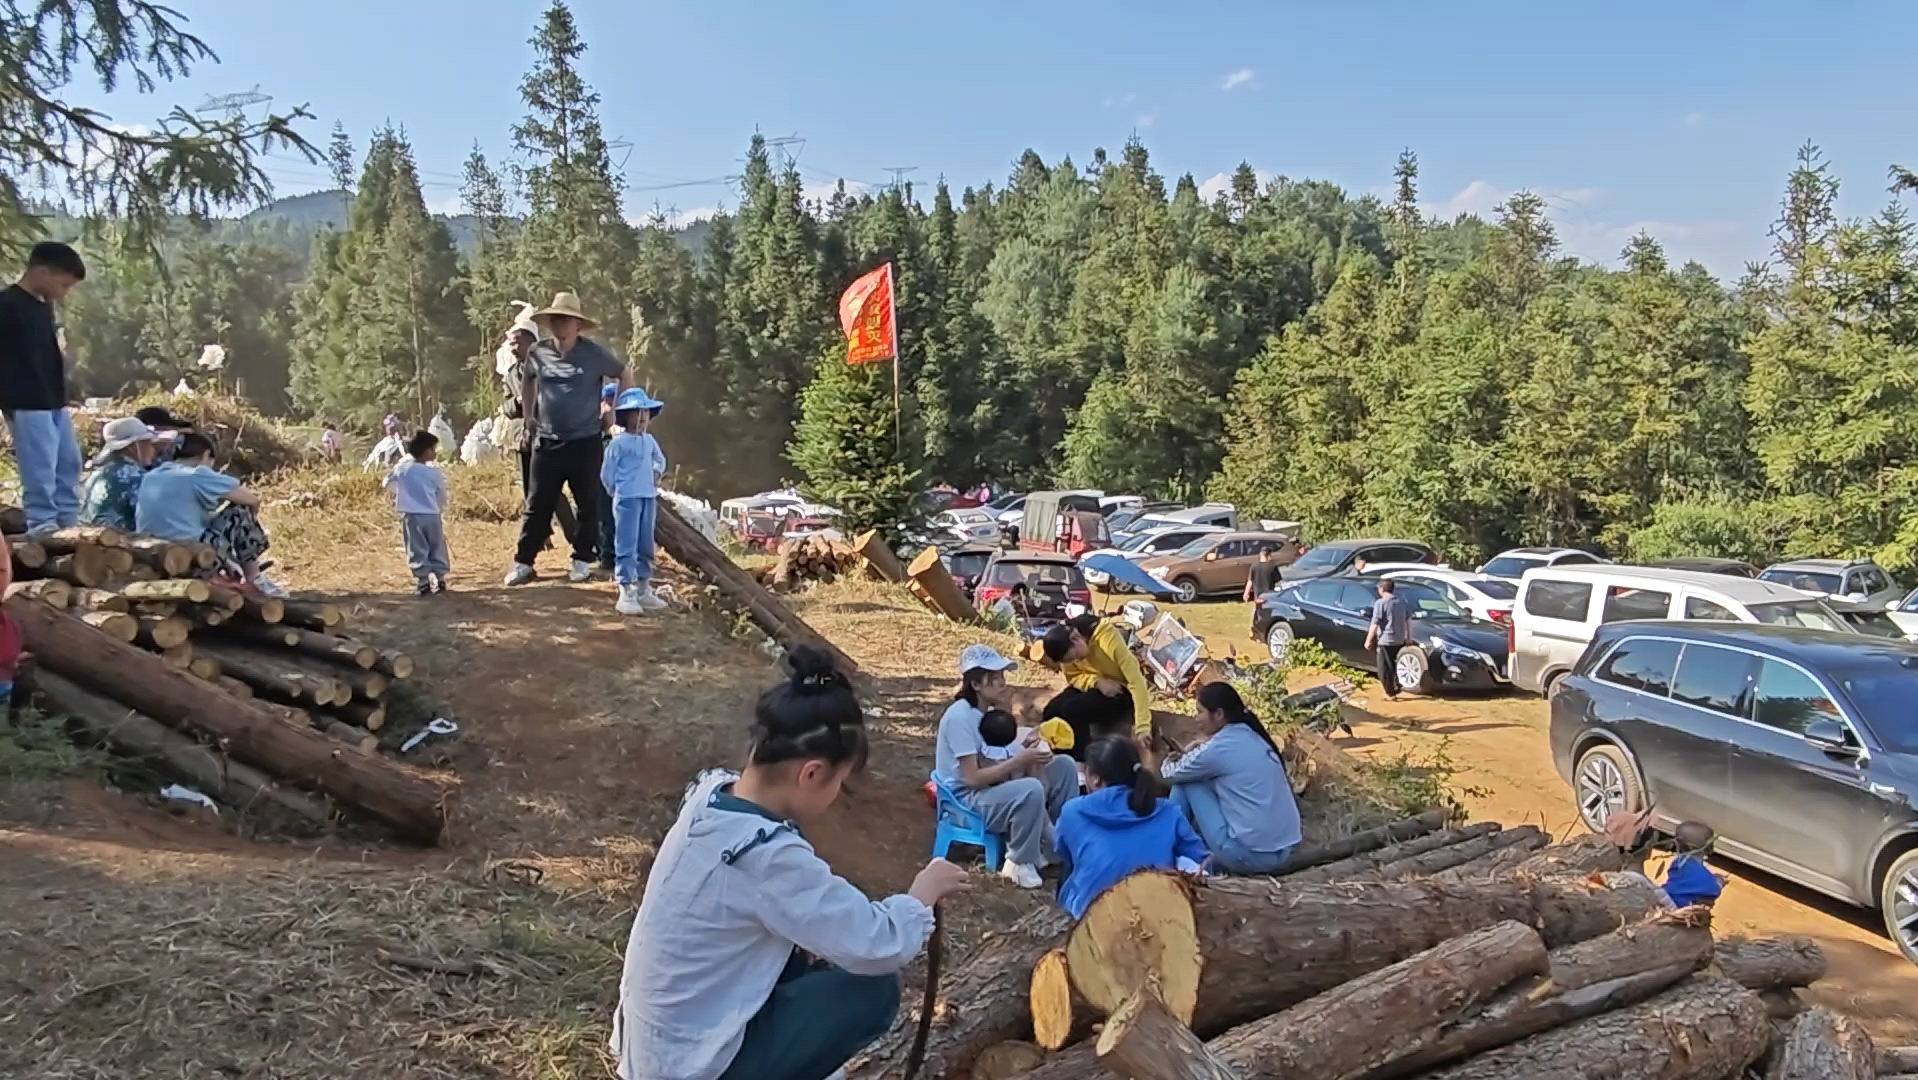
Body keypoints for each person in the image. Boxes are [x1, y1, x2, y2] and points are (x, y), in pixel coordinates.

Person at [611, 646, 970, 1080]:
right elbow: (876, 945)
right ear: (812, 773)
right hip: (689, 1066)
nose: (837, 794)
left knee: (807, 958)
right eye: (840, 781)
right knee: (872, 990)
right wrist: (922, 895)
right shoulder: (762, 856)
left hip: (657, 1046)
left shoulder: (712, 796)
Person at [505, 292, 629, 586]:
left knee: (587, 503)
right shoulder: (538, 352)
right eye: (556, 320)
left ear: (577, 325)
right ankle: (524, 562)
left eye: (566, 320)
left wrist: (613, 411)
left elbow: (624, 373)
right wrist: (529, 413)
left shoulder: (593, 353)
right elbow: (528, 379)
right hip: (547, 440)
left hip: (585, 439)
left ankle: (582, 560)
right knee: (538, 503)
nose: (560, 325)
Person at [934, 644, 1082, 889]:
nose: (1002, 682)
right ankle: (1018, 861)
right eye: (994, 678)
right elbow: (971, 778)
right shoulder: (960, 718)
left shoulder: (987, 712)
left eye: (1002, 676)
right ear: (976, 684)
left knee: (1064, 766)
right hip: (968, 798)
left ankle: (1057, 844)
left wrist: (1026, 745)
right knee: (1031, 788)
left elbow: (996, 753)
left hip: (993, 783)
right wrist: (1019, 761)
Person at [1053, 736, 1209, 917]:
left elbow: (1061, 849)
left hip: (1093, 916)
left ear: (1095, 779)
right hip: (1159, 911)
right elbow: (1200, 860)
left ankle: (1066, 913)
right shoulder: (1168, 811)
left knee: (1070, 862)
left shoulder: (1073, 811)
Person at [1160, 681, 1299, 875]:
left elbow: (1171, 774)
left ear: (1218, 714)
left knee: (1187, 783)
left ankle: (1162, 850)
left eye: (1200, 712)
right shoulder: (1250, 734)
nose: (1196, 718)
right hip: (1282, 851)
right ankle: (1174, 845)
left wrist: (1169, 759)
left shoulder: (1219, 748)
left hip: (1250, 856)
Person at [0, 241, 87, 534]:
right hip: (25, 398)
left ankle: (67, 518)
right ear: (42, 272)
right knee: (40, 464)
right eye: (62, 285)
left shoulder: (43, 307)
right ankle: (42, 522)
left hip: (52, 397)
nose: (63, 293)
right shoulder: (7, 305)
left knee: (68, 461)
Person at [135, 431, 287, 598]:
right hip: (195, 558)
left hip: (158, 556)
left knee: (214, 521)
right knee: (240, 511)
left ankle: (230, 569)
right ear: (206, 455)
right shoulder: (197, 474)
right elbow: (252, 501)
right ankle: (255, 578)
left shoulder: (152, 476)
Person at [1038, 613, 1153, 759]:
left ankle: (1083, 762)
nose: (1076, 661)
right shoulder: (1066, 644)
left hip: (1120, 690)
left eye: (1074, 657)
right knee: (1051, 710)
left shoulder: (1108, 638)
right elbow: (1073, 677)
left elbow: (1136, 681)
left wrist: (1143, 726)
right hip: (1094, 684)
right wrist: (1096, 682)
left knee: (1073, 710)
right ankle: (1059, 758)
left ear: (1075, 638)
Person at [601, 387, 669, 615]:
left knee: (645, 543)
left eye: (645, 413)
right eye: (635, 413)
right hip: (626, 498)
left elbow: (660, 460)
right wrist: (614, 490)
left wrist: (657, 472)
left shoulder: (649, 441)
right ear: (624, 417)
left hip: (647, 497)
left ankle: (643, 588)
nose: (641, 419)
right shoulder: (618, 443)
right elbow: (607, 472)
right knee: (626, 543)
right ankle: (625, 591)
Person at [383, 430, 450, 596]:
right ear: (426, 451)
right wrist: (438, 507)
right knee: (436, 545)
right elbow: (441, 493)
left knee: (416, 547)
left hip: (411, 515)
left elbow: (387, 483)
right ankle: (440, 579)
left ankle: (423, 581)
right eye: (433, 449)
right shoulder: (434, 473)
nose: (435, 453)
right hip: (432, 515)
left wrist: (402, 492)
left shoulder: (402, 469)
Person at [79, 417, 160, 531]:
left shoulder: (95, 475)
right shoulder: (137, 478)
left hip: (87, 540)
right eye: (148, 443)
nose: (153, 449)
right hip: (121, 544)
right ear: (132, 447)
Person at [1364, 578, 1412, 700]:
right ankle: (1395, 687)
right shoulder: (1401, 602)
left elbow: (1375, 623)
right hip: (1399, 640)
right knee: (1393, 665)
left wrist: (1368, 640)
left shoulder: (1381, 603)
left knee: (1383, 668)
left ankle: (1390, 693)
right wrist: (1409, 637)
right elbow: (1409, 620)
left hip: (1385, 640)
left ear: (1381, 589)